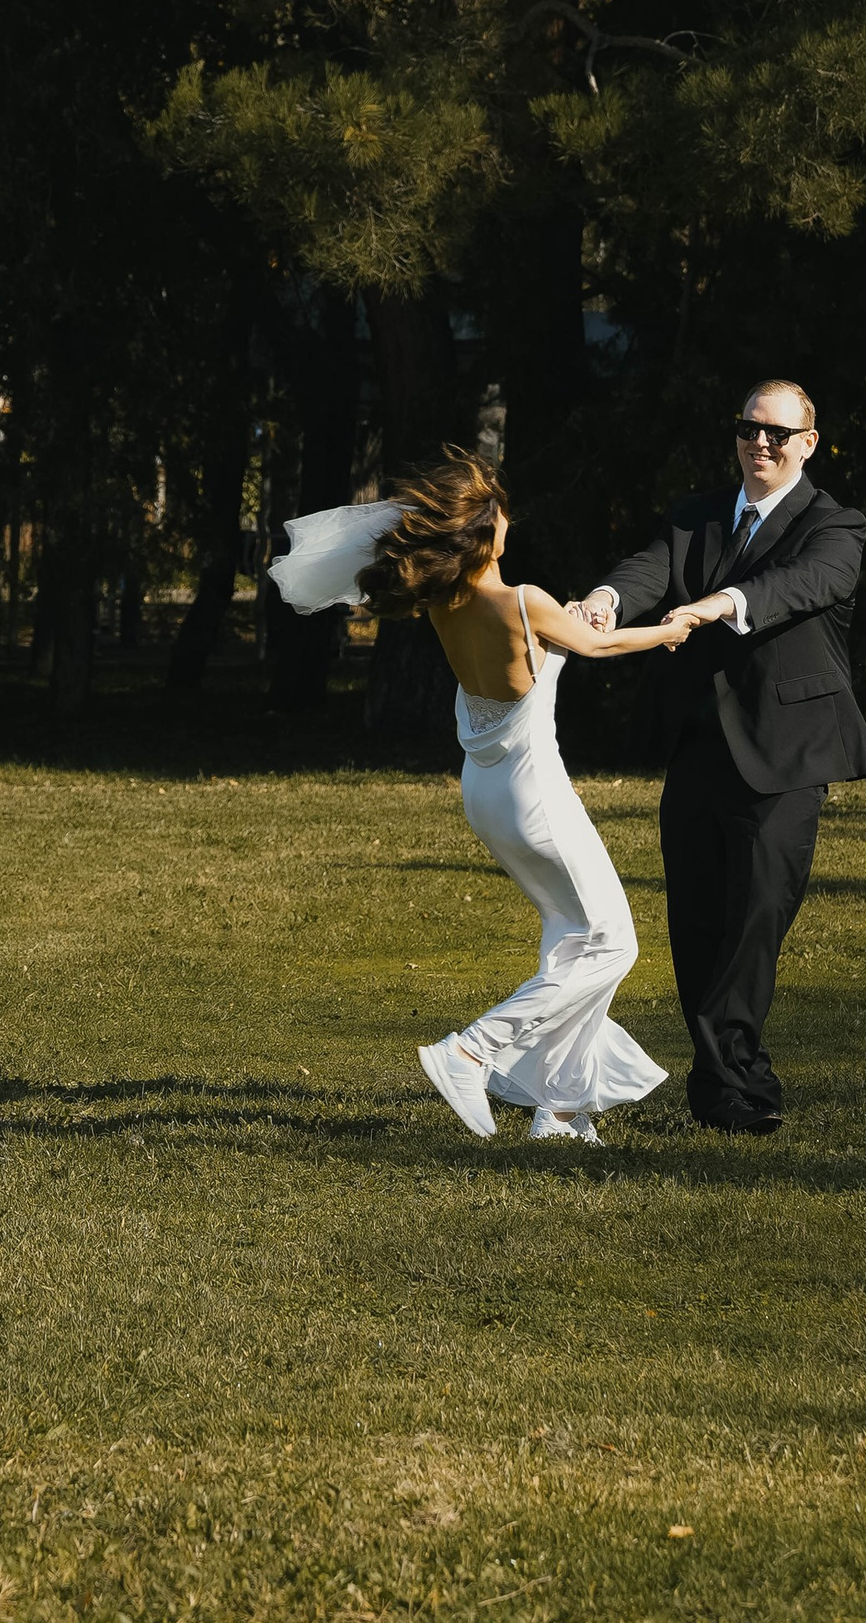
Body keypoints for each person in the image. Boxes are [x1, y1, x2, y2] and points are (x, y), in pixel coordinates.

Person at [268, 451, 693, 1146]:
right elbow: (599, 648)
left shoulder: (448, 602)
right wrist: (671, 630)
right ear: (485, 536)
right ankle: (470, 1050)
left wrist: (583, 615)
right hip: (535, 801)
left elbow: (559, 639)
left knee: (571, 942)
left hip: (486, 795)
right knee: (613, 943)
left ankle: (558, 1109)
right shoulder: (522, 599)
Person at [580, 379, 866, 1135]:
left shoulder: (835, 524)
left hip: (787, 754)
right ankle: (722, 1089)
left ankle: (741, 1079)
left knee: (755, 919)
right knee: (697, 924)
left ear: (808, 443)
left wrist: (722, 602)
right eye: (750, 429)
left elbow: (804, 583)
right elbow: (646, 567)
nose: (762, 443)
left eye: (779, 433)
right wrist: (606, 601)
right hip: (699, 749)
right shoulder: (698, 516)